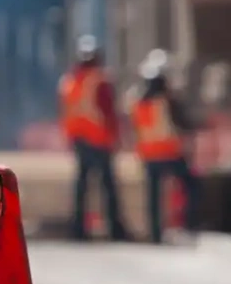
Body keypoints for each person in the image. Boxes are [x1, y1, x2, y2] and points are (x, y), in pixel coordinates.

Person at [58, 35, 130, 240]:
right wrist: (117, 136)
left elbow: (66, 112)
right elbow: (108, 112)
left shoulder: (69, 82)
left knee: (82, 186)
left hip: (79, 140)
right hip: (99, 139)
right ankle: (115, 229)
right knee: (108, 186)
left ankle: (78, 229)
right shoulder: (100, 81)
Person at [127, 49, 200, 244]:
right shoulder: (166, 101)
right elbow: (184, 123)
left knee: (153, 196)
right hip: (170, 153)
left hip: (149, 155)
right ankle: (188, 226)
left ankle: (155, 234)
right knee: (192, 187)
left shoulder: (137, 102)